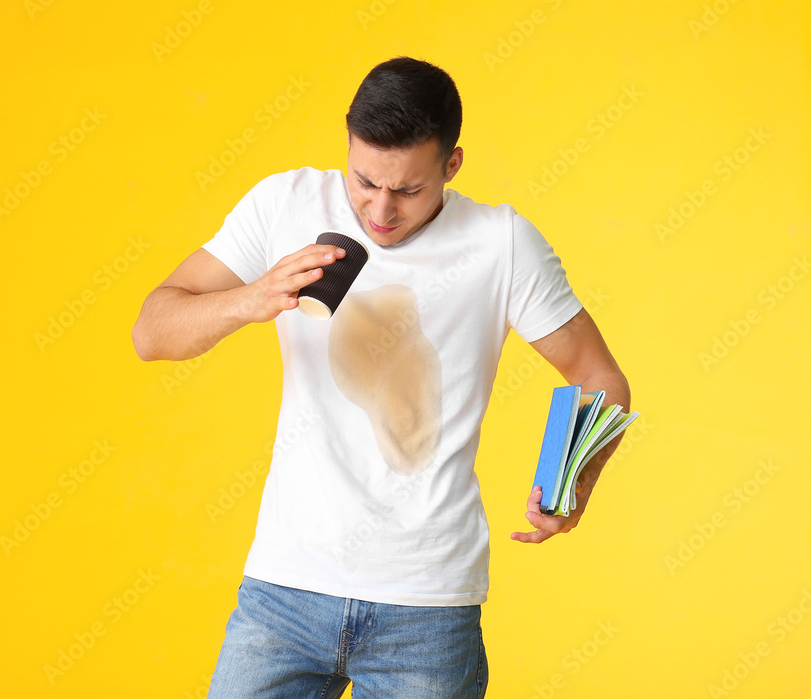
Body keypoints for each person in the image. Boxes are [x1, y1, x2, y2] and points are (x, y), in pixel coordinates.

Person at [132, 56, 630, 699]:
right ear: (347, 143)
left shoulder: (501, 242)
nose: (381, 209)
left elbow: (598, 377)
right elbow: (152, 331)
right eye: (365, 181)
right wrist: (252, 297)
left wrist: (573, 483)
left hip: (425, 606)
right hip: (284, 590)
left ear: (451, 165)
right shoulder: (283, 203)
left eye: (409, 189)